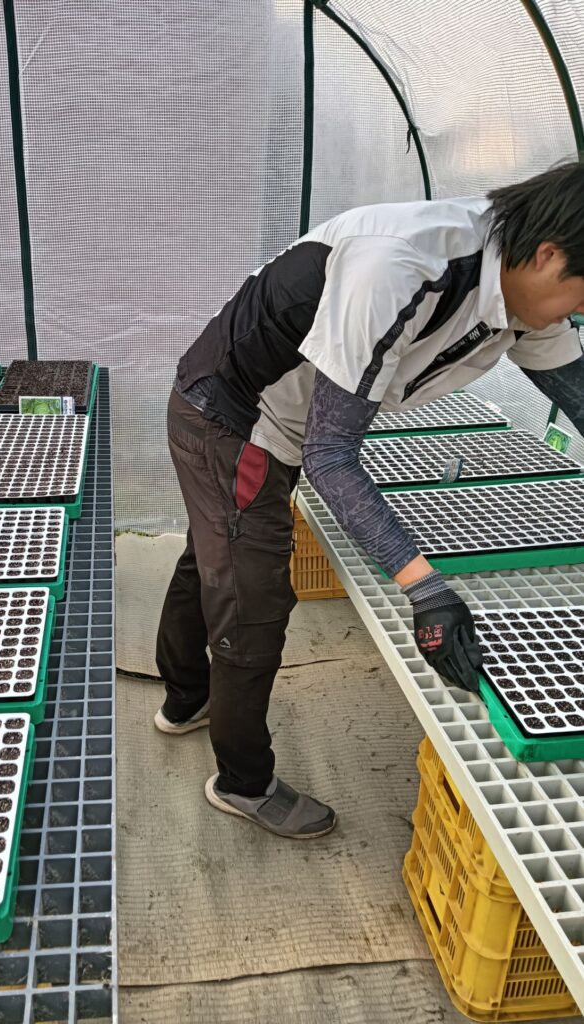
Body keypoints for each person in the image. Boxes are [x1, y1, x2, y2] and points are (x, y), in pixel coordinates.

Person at [154, 161, 584, 840]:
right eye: (582, 298)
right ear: (549, 256)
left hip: (286, 419)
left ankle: (183, 700)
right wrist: (426, 589)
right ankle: (242, 781)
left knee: (215, 556)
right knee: (254, 599)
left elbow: (574, 390)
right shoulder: (402, 267)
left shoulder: (519, 284)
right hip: (234, 416)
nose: (578, 315)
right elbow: (330, 457)